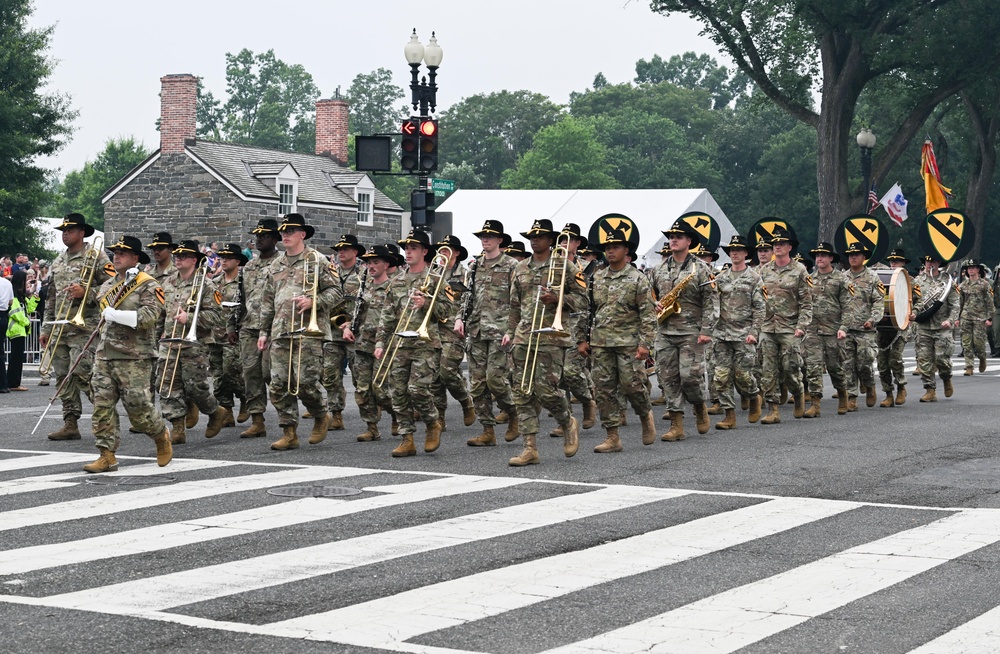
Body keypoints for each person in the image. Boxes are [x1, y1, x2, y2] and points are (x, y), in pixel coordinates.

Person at [84, 235, 172, 473]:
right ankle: (106, 454)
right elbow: (103, 315)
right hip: (105, 355)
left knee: (139, 409)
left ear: (135, 257)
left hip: (135, 356)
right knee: (102, 407)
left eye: (122, 253)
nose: (117, 256)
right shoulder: (107, 285)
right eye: (115, 252)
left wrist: (117, 315)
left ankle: (160, 434)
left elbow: (149, 318)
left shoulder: (149, 285)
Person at [502, 219, 586, 466]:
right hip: (524, 335)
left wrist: (558, 298)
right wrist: (510, 332)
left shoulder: (566, 266)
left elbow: (583, 300)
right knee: (522, 391)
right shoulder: (519, 268)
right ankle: (530, 448)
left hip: (552, 335)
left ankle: (567, 421)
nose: (535, 239)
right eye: (532, 236)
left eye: (540, 236)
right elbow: (514, 306)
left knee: (547, 390)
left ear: (551, 240)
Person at [258, 214, 341, 450]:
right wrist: (264, 331)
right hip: (281, 331)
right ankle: (289, 432)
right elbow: (267, 301)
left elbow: (336, 292)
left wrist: (314, 301)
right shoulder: (275, 264)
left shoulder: (318, 260)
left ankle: (320, 414)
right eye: (283, 232)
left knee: (305, 382)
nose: (285, 235)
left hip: (308, 331)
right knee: (278, 384)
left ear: (302, 235)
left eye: (291, 231)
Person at [374, 229, 452, 457]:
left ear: (425, 251)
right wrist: (380, 342)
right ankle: (407, 438)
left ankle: (432, 422)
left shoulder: (437, 280)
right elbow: (387, 315)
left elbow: (447, 311)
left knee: (417, 389)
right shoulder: (396, 281)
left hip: (425, 343)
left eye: (413, 248)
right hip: (400, 343)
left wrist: (427, 302)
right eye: (406, 248)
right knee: (397, 391)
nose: (408, 252)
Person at [579, 228, 657, 451]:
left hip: (628, 343)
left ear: (626, 250)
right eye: (607, 248)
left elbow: (648, 315)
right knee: (603, 390)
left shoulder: (637, 279)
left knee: (632, 386)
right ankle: (612, 436)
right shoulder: (597, 277)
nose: (610, 251)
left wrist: (645, 345)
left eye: (615, 247)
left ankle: (645, 416)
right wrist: (582, 339)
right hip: (601, 343)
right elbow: (587, 311)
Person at [39, 214, 110, 440]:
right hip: (61, 327)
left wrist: (86, 294)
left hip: (85, 327)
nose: (65, 233)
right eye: (63, 230)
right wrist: (45, 328)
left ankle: (105, 415)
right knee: (62, 376)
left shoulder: (97, 256)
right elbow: (51, 297)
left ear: (82, 232)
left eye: (70, 230)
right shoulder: (58, 261)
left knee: (81, 372)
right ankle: (70, 422)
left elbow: (112, 288)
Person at [652, 219, 719, 441]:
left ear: (689, 241)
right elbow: (649, 296)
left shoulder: (701, 268)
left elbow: (711, 300)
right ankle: (676, 424)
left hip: (692, 331)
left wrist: (706, 330)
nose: (673, 240)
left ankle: (699, 405)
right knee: (668, 378)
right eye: (671, 237)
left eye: (678, 237)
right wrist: (655, 305)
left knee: (689, 376)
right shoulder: (658, 268)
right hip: (665, 331)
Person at [157, 239, 228, 445]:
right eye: (177, 256)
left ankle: (215, 411)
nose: (178, 259)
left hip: (195, 344)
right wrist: (158, 334)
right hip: (170, 341)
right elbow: (161, 313)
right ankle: (177, 426)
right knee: (168, 385)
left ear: (195, 260)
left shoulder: (207, 285)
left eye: (183, 256)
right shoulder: (167, 282)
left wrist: (191, 318)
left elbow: (217, 316)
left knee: (196, 386)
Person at [458, 221, 519, 446]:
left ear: (499, 240)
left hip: (500, 330)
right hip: (476, 329)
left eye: (490, 236)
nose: (485, 239)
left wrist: (512, 329)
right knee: (477, 384)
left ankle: (513, 413)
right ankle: (487, 430)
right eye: (483, 236)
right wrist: (459, 318)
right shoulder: (474, 266)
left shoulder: (511, 265)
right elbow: (467, 296)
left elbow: (518, 299)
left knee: (495, 379)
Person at [341, 245, 398, 442]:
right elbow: (353, 315)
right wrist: (348, 327)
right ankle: (371, 427)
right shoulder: (362, 289)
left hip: (384, 346)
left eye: (375, 262)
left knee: (382, 390)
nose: (371, 266)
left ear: (386, 264)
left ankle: (397, 416)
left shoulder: (394, 289)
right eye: (368, 263)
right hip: (362, 344)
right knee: (362, 389)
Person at [757, 227, 813, 423]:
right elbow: (757, 300)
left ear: (790, 247)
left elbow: (807, 302)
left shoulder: (800, 271)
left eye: (781, 244)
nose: (777, 247)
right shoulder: (764, 271)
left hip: (790, 327)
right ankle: (772, 409)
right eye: (775, 244)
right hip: (767, 327)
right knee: (768, 369)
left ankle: (798, 393)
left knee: (790, 367)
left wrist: (801, 326)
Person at [712, 234, 764, 428]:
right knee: (721, 376)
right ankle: (729, 415)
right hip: (722, 334)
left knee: (743, 376)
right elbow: (712, 303)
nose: (734, 253)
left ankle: (753, 397)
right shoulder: (720, 278)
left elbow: (760, 308)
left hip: (744, 334)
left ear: (745, 253)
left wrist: (754, 332)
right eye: (732, 250)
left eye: (738, 250)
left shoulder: (754, 278)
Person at [550, 223, 596, 438]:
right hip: (555, 326)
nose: (564, 244)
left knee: (571, 372)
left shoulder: (588, 267)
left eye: (569, 240)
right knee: (557, 377)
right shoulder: (552, 266)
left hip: (579, 326)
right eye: (561, 240)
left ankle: (588, 401)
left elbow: (586, 301)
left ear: (578, 244)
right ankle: (565, 419)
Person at [238, 219, 282, 438]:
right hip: (249, 326)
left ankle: (290, 413)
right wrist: (233, 324)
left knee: (270, 374)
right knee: (250, 373)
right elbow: (242, 297)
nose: (259, 239)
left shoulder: (282, 263)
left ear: (275, 239)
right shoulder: (249, 266)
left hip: (274, 326)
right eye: (257, 235)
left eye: (264, 235)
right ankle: (257, 419)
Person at [430, 235, 476, 432]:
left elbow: (469, 302)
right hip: (433, 328)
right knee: (434, 375)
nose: (443, 253)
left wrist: (462, 321)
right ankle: (439, 416)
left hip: (453, 330)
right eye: (441, 249)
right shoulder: (432, 273)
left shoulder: (466, 275)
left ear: (457, 253)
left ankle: (465, 399)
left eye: (448, 249)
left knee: (447, 371)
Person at [323, 234, 365, 431]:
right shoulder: (331, 273)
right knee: (330, 374)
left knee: (359, 376)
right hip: (332, 331)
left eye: (345, 249)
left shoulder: (364, 274)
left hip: (355, 332)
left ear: (355, 252)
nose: (341, 252)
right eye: (339, 249)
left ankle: (370, 415)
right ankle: (336, 413)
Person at [803, 242, 850, 417]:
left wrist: (844, 327)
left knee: (835, 367)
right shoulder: (809, 279)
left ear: (831, 258)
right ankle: (815, 404)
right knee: (813, 367)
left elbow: (848, 306)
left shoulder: (841, 279)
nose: (820, 258)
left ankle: (843, 395)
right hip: (813, 331)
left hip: (833, 331)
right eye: (817, 255)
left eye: (823, 255)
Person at [840, 243, 884, 410]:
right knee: (848, 364)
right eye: (850, 255)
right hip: (846, 328)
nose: (853, 257)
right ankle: (852, 396)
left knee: (864, 362)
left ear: (864, 257)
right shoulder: (842, 278)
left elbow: (879, 302)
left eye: (857, 254)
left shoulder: (872, 278)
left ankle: (869, 384)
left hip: (865, 329)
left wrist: (873, 319)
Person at [911, 253, 959, 402]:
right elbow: (910, 301)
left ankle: (946, 378)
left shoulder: (948, 281)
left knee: (942, 360)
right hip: (923, 327)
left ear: (939, 263)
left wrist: (950, 320)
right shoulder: (917, 281)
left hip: (941, 326)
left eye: (933, 261)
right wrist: (912, 314)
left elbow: (955, 304)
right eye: (927, 261)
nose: (929, 264)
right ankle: (930, 390)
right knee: (924, 361)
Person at [212, 243, 248, 425]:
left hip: (234, 335)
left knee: (231, 371)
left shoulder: (243, 282)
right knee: (218, 375)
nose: (223, 260)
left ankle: (245, 398)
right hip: (214, 335)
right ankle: (226, 409)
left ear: (238, 261)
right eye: (222, 257)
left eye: (228, 257)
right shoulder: (215, 282)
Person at [876, 249, 911, 407]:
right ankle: (888, 393)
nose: (893, 263)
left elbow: (916, 302)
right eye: (891, 261)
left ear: (903, 263)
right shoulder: (880, 279)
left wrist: (912, 314)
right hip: (883, 327)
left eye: (897, 261)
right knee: (882, 364)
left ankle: (901, 387)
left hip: (900, 327)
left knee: (895, 359)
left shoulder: (909, 280)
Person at [958, 259, 993, 375]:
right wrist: (957, 318)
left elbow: (989, 302)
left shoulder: (984, 284)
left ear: (978, 270)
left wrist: (989, 318)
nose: (971, 270)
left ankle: (982, 358)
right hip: (965, 317)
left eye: (973, 268)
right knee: (966, 343)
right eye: (969, 268)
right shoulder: (963, 285)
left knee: (979, 343)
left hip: (980, 317)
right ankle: (969, 366)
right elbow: (959, 302)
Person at [7, 270, 39, 391]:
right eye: (25, 280)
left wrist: (35, 299)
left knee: (17, 357)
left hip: (20, 329)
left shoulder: (21, 296)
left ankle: (14, 382)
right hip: (16, 329)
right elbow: (16, 313)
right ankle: (14, 383)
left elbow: (29, 309)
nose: (27, 282)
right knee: (16, 357)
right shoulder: (14, 296)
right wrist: (26, 321)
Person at [0, 273, 11, 393]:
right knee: (1, 351)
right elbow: (11, 302)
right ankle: (3, 384)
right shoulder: (7, 283)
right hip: (3, 315)